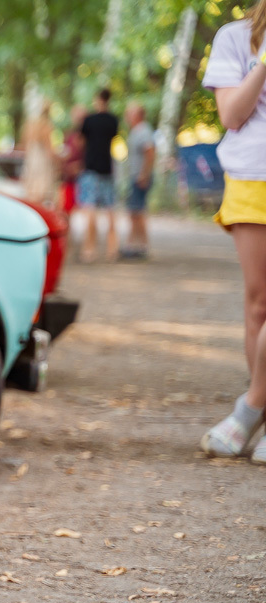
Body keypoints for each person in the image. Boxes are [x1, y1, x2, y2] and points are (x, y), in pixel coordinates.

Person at [199, 1, 266, 462]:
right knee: (259, 305)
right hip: (252, 179)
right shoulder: (235, 38)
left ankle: (250, 408)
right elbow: (231, 115)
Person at [78, 89, 120, 262]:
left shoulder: (89, 120)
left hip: (91, 169)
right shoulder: (113, 120)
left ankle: (89, 249)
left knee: (90, 209)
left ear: (97, 99)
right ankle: (112, 250)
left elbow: (81, 142)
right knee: (110, 209)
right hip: (107, 168)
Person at [121, 102, 155, 259]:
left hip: (140, 177)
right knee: (134, 212)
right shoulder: (136, 131)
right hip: (136, 176)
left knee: (137, 211)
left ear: (137, 115)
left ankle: (141, 246)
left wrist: (144, 174)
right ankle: (135, 245)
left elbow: (150, 152)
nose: (127, 117)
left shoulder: (143, 131)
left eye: (129, 113)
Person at [20, 99, 58, 205]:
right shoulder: (46, 126)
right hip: (42, 162)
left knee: (31, 192)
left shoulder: (29, 125)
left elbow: (24, 145)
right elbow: (49, 149)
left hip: (31, 160)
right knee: (41, 192)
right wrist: (56, 162)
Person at [60, 105, 87, 216]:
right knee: (66, 208)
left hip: (82, 176)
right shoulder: (69, 135)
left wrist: (79, 166)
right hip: (69, 177)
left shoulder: (87, 136)